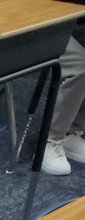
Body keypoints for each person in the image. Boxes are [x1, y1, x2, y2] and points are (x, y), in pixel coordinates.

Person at [42, 26, 85, 175]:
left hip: (71, 20)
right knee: (80, 66)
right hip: (37, 23)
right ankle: (49, 141)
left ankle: (72, 131)